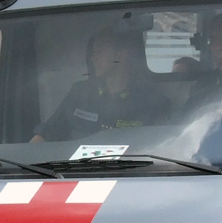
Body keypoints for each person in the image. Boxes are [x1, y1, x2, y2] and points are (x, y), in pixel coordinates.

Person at [31, 28, 169, 142]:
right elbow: (45, 135)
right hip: (76, 171)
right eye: (93, 52)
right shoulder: (79, 92)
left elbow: (166, 148)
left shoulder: (154, 102)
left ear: (120, 55)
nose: (92, 58)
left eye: (99, 51)